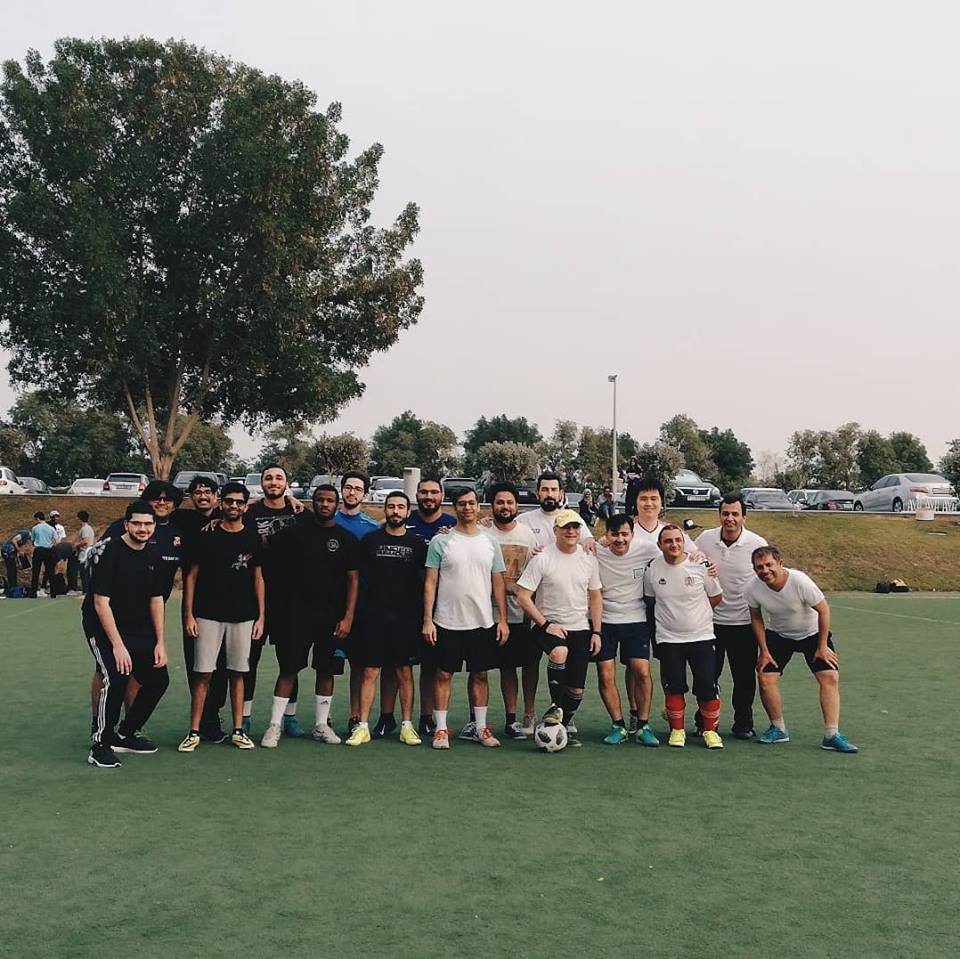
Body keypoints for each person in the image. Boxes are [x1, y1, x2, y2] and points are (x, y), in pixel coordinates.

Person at [259, 485, 360, 749]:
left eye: (329, 500)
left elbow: (353, 580)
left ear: (336, 505)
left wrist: (348, 617)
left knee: (326, 671)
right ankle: (274, 726)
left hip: (332, 617)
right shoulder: (293, 534)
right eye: (319, 500)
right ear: (312, 503)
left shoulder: (346, 539)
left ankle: (321, 725)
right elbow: (263, 549)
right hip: (296, 616)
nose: (324, 504)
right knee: (289, 669)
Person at [746, 546, 858, 753]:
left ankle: (831, 735)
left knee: (830, 677)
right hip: (779, 635)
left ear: (780, 563)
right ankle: (778, 728)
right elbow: (755, 617)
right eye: (759, 567)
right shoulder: (753, 588)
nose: (765, 570)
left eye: (769, 565)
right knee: (765, 677)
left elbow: (823, 610)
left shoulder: (799, 581)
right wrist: (764, 650)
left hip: (812, 633)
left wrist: (822, 646)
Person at [83, 501, 169, 768]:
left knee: (158, 679)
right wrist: (118, 646)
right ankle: (100, 743)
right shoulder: (109, 552)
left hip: (139, 625)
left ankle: (125, 733)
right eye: (138, 523)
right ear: (127, 524)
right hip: (104, 626)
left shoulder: (154, 555)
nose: (143, 529)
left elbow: (157, 600)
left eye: (148, 524)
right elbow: (100, 603)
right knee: (116, 677)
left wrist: (160, 643)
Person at [178, 482, 263, 752]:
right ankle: (194, 731)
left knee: (238, 673)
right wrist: (189, 614)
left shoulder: (253, 537)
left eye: (239, 502)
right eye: (229, 501)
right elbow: (191, 576)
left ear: (245, 506)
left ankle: (238, 730)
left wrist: (261, 617)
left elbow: (259, 578)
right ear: (221, 503)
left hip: (243, 616)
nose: (234, 506)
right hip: (207, 615)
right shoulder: (206, 535)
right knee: (203, 674)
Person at [422, 486, 509, 750]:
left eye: (471, 503)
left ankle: (480, 728)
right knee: (443, 675)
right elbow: (430, 582)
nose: (467, 508)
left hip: (482, 622)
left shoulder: (490, 542)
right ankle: (440, 730)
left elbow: (498, 583)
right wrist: (428, 619)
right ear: (455, 508)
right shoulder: (441, 541)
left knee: (480, 674)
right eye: (462, 504)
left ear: (478, 506)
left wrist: (502, 619)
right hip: (447, 621)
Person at [516, 509, 603, 747]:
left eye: (575, 527)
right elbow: (523, 596)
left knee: (577, 690)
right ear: (556, 531)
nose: (571, 532)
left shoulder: (588, 560)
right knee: (559, 652)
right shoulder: (542, 558)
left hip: (580, 628)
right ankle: (555, 706)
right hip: (547, 625)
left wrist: (596, 632)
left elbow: (595, 597)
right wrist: (545, 623)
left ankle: (562, 726)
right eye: (566, 528)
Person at [346, 491, 426, 746]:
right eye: (391, 507)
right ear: (385, 510)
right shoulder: (370, 540)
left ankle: (407, 726)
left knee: (404, 670)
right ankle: (363, 726)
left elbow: (426, 583)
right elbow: (356, 579)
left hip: (406, 617)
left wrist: (425, 616)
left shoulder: (417, 544)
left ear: (407, 511)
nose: (395, 511)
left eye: (400, 507)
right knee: (370, 670)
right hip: (374, 615)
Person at [692, 495, 768, 739]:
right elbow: (689, 559)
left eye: (735, 514)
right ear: (719, 515)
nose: (730, 519)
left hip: (743, 623)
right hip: (709, 622)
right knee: (707, 676)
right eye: (726, 514)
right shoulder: (705, 539)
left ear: (744, 517)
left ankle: (743, 723)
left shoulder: (756, 543)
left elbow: (766, 576)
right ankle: (703, 721)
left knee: (744, 677)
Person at [643, 524, 724, 749]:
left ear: (683, 542)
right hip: (669, 639)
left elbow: (716, 597)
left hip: (702, 637)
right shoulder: (652, 569)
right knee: (675, 686)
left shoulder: (700, 565)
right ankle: (677, 731)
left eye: (678, 540)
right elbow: (651, 601)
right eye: (668, 541)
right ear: (660, 546)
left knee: (707, 685)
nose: (674, 544)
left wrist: (697, 614)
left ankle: (710, 732)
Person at [241, 464, 303, 737]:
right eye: (268, 477)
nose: (273, 481)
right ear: (262, 483)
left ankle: (289, 717)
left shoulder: (299, 512)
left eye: (279, 478)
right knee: (248, 660)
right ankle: (243, 716)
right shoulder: (249, 512)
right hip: (253, 597)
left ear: (287, 484)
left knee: (290, 661)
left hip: (290, 599)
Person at [170, 476, 229, 741]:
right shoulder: (182, 520)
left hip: (228, 603)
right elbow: (154, 506)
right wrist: (188, 613)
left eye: (208, 491)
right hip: (196, 602)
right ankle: (199, 719)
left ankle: (212, 717)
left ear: (217, 496)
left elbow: (253, 506)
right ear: (191, 497)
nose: (203, 496)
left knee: (223, 667)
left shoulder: (229, 515)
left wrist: (292, 499)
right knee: (197, 664)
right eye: (197, 492)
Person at [594, 514, 659, 746]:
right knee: (605, 673)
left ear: (632, 534)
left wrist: (700, 558)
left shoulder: (647, 549)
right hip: (605, 620)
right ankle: (618, 725)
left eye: (625, 534)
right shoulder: (595, 550)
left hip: (636, 619)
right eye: (614, 534)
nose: (620, 539)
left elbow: (677, 553)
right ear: (606, 535)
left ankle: (643, 725)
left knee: (641, 670)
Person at [483, 482, 539, 739]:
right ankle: (501, 719)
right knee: (496, 668)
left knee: (527, 666)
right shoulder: (482, 532)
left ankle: (528, 713)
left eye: (509, 502)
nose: (505, 507)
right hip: (488, 614)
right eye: (500, 502)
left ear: (516, 505)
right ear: (492, 505)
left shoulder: (528, 535)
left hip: (521, 615)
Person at [402, 475, 456, 737]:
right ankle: (398, 718)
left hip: (443, 605)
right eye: (423, 492)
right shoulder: (406, 522)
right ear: (417, 496)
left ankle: (429, 716)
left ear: (441, 496)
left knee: (434, 665)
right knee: (402, 664)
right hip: (406, 603)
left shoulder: (452, 525)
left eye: (434, 492)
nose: (428, 497)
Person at [334, 471, 380, 735]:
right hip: (328, 604)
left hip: (361, 606)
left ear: (364, 494)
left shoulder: (371, 528)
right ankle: (322, 718)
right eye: (348, 487)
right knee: (326, 665)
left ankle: (355, 717)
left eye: (357, 489)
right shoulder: (328, 519)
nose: (352, 492)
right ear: (342, 490)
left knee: (360, 664)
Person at [517, 471, 594, 548]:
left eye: (553, 489)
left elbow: (588, 540)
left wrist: (589, 540)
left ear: (560, 494)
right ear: (537, 494)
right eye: (545, 490)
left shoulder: (573, 518)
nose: (549, 494)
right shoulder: (523, 520)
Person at [28, 511, 56, 598]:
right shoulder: (51, 528)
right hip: (48, 550)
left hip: (38, 549)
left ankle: (33, 592)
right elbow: (54, 540)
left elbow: (32, 541)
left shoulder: (35, 528)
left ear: (38, 519)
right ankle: (53, 592)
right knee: (50, 571)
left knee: (36, 571)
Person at [2, 526, 30, 593]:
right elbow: (14, 540)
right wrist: (19, 551)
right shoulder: (25, 533)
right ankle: (12, 587)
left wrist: (18, 554)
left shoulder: (26, 538)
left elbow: (16, 544)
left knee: (13, 569)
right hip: (8, 550)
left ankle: (13, 586)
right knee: (11, 569)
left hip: (11, 551)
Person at [75, 511, 96, 593]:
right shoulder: (89, 528)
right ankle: (87, 590)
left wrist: (77, 545)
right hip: (89, 551)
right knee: (87, 572)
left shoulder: (85, 529)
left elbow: (85, 541)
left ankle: (86, 591)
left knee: (84, 573)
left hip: (85, 552)